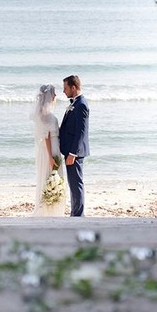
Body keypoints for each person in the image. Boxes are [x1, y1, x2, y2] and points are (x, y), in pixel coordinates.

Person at [31, 84, 66, 216]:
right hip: (51, 149)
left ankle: (49, 208)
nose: (56, 96)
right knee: (51, 177)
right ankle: (50, 210)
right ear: (49, 96)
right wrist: (51, 157)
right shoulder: (48, 116)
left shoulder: (41, 115)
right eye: (54, 93)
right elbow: (46, 137)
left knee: (47, 178)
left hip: (47, 150)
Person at [59, 75, 90, 217]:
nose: (63, 91)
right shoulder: (75, 103)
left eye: (65, 88)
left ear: (73, 87)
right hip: (70, 151)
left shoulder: (81, 104)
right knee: (72, 184)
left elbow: (81, 132)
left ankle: (78, 215)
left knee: (76, 184)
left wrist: (73, 153)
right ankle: (75, 213)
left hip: (75, 153)